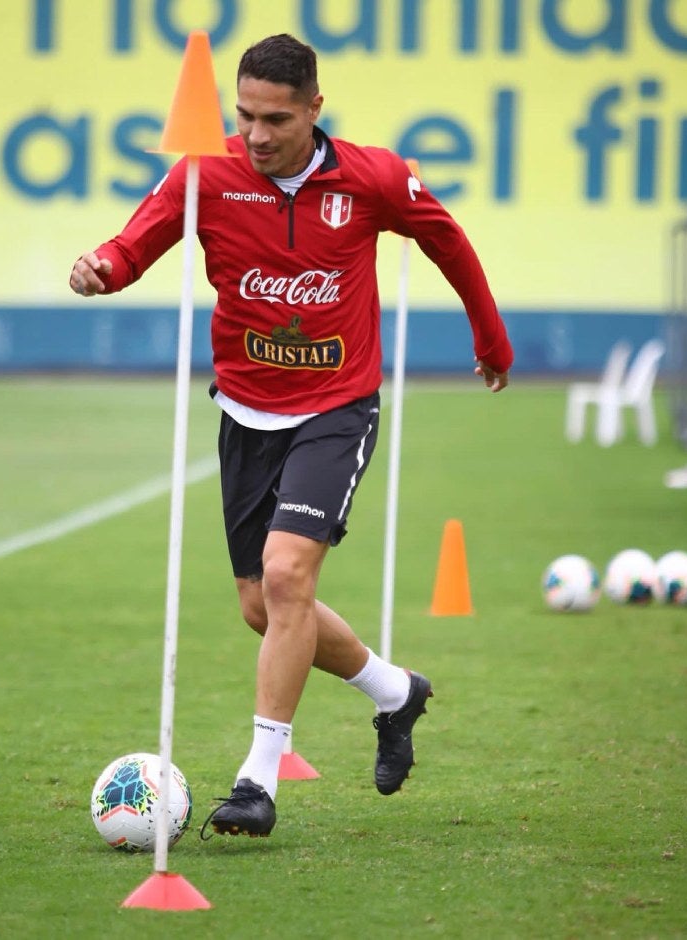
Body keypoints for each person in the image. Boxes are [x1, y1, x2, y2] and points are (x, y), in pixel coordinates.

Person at [69, 33, 513, 839]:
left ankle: (256, 780)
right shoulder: (208, 175)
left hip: (336, 410)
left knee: (285, 577)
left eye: (276, 118)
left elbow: (447, 240)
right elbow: (135, 245)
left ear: (315, 108)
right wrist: (101, 265)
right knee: (262, 606)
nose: (257, 134)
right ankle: (393, 691)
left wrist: (490, 339)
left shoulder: (373, 177)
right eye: (244, 116)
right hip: (244, 411)